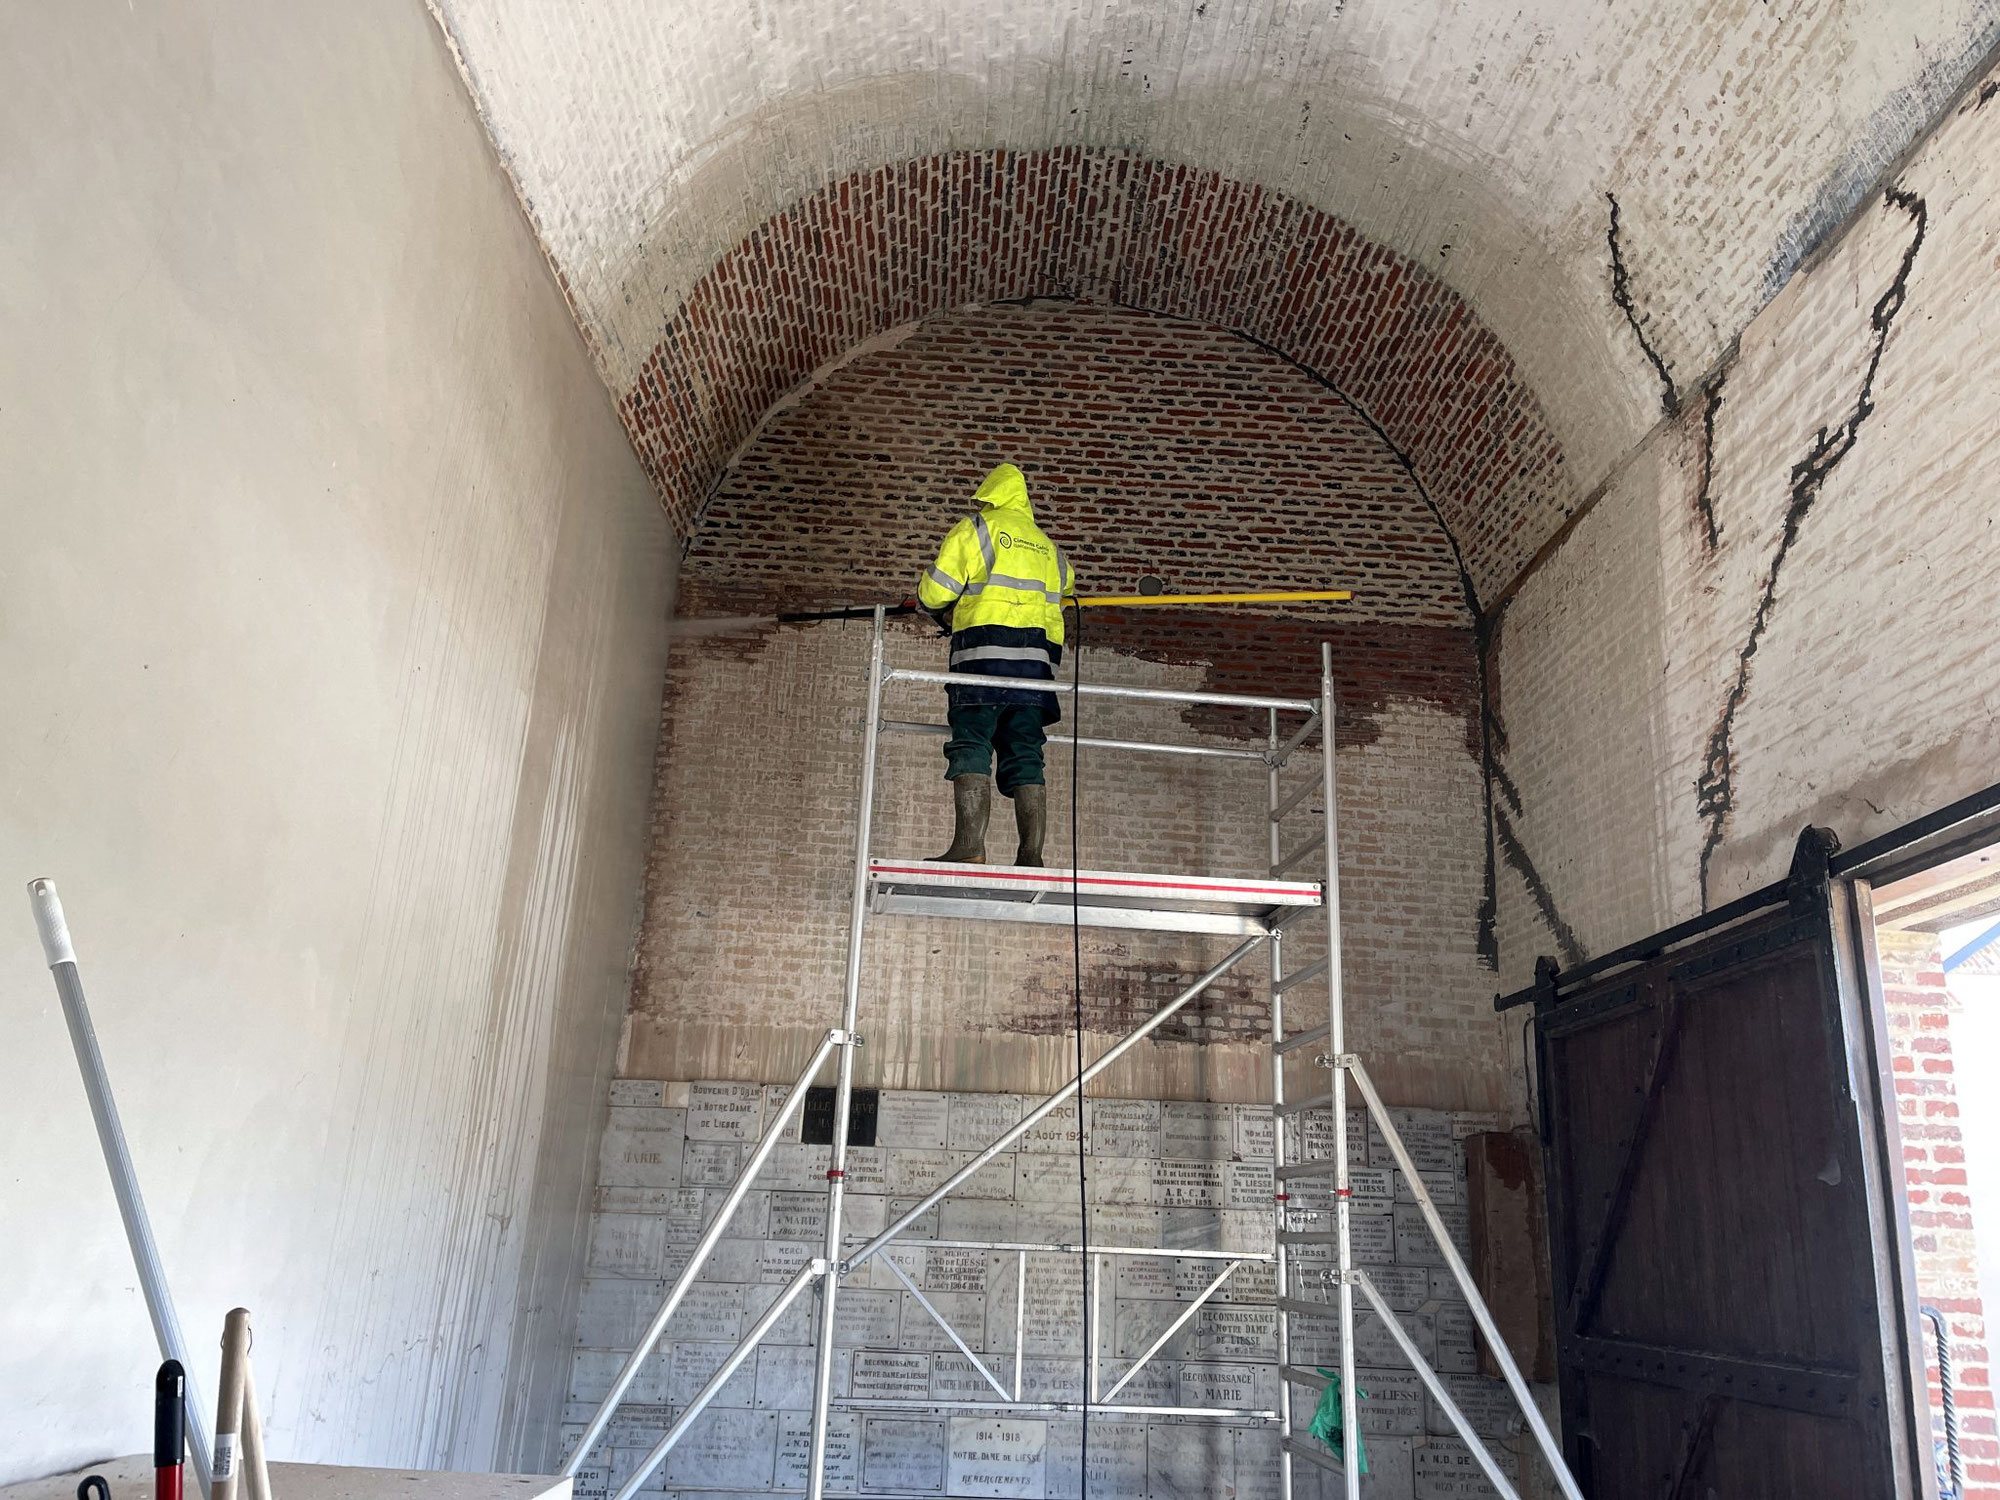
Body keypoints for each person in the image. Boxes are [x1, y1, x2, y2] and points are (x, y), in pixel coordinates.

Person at [914, 463, 1076, 865]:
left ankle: (969, 848)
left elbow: (935, 592)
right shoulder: (1050, 549)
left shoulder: (977, 529)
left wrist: (933, 600)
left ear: (990, 495)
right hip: (1034, 670)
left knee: (972, 742)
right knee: (1025, 751)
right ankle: (1031, 855)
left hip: (983, 658)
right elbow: (1066, 587)